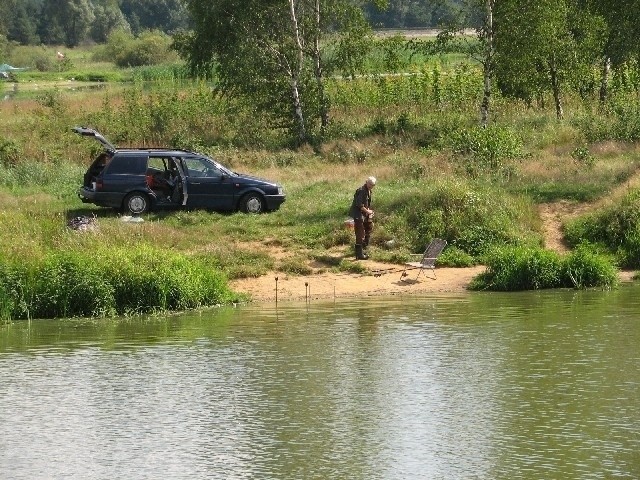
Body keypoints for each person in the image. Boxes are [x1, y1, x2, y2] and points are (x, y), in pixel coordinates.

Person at [349, 176, 376, 260]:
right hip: (358, 214)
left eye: (373, 185)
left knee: (369, 227)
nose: (371, 186)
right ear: (366, 182)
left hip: (364, 213)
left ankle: (363, 249)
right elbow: (359, 205)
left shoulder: (369, 191)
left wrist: (369, 211)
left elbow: (366, 204)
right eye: (370, 184)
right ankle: (359, 255)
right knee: (360, 233)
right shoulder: (361, 191)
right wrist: (368, 212)